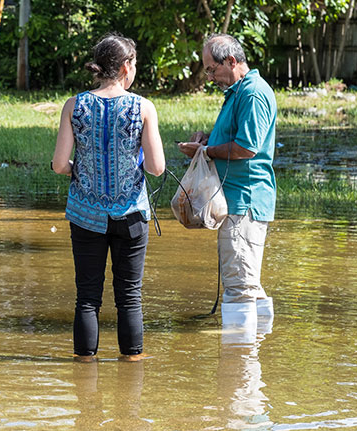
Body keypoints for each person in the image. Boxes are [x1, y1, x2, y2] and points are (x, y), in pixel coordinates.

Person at [52, 33, 165, 363]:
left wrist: (80, 167)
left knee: (87, 297)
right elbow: (157, 168)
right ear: (127, 66)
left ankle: (84, 369)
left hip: (86, 215)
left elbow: (60, 164)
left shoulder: (75, 105)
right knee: (129, 297)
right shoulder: (143, 107)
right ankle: (132, 370)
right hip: (130, 215)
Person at [177, 34, 277, 334]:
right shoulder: (238, 91)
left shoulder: (253, 93)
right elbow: (236, 139)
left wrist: (205, 152)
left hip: (244, 201)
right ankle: (257, 346)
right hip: (235, 199)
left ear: (232, 61)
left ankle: (238, 369)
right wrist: (208, 140)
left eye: (211, 69)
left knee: (239, 288)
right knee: (248, 283)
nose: (209, 77)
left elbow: (248, 148)